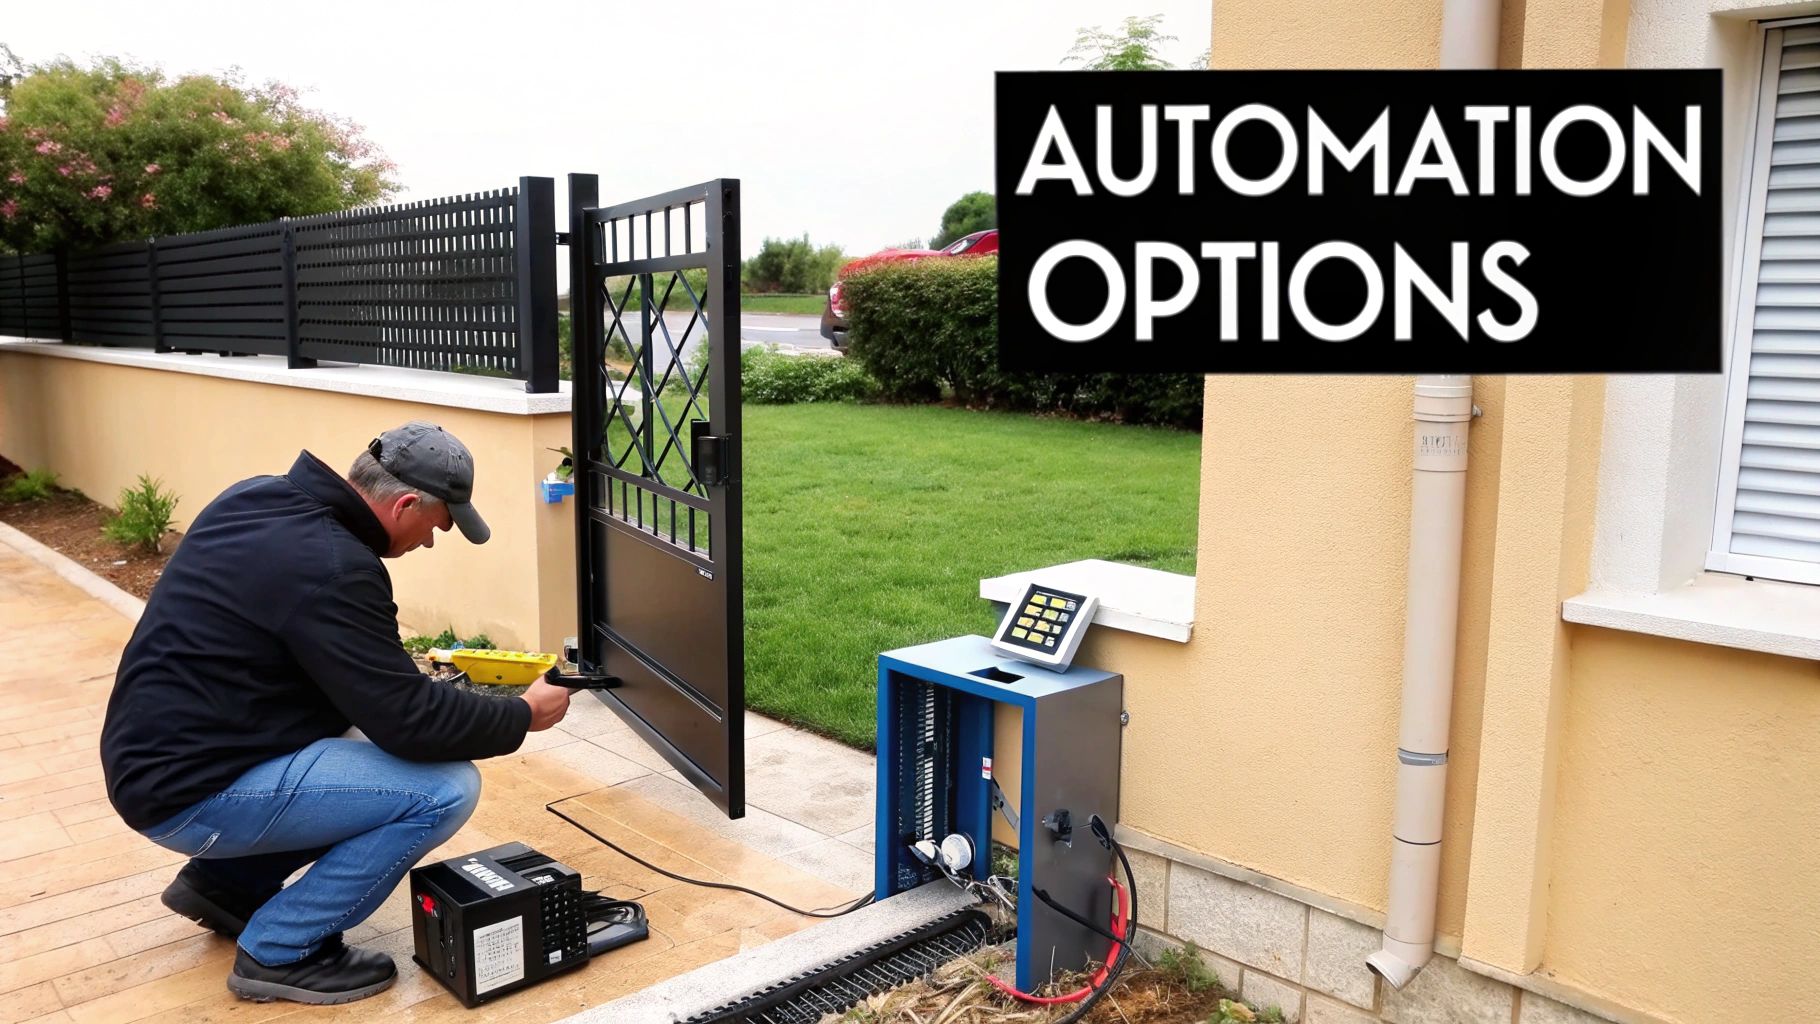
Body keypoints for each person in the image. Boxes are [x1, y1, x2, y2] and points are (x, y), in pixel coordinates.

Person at [99, 421, 574, 1005]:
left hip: (157, 756)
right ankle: (280, 949)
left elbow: (363, 684)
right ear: (403, 503)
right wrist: (522, 714)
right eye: (437, 526)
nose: (429, 542)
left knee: (360, 744)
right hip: (187, 793)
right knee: (444, 789)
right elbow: (413, 724)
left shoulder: (257, 498)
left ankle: (224, 887)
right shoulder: (337, 566)